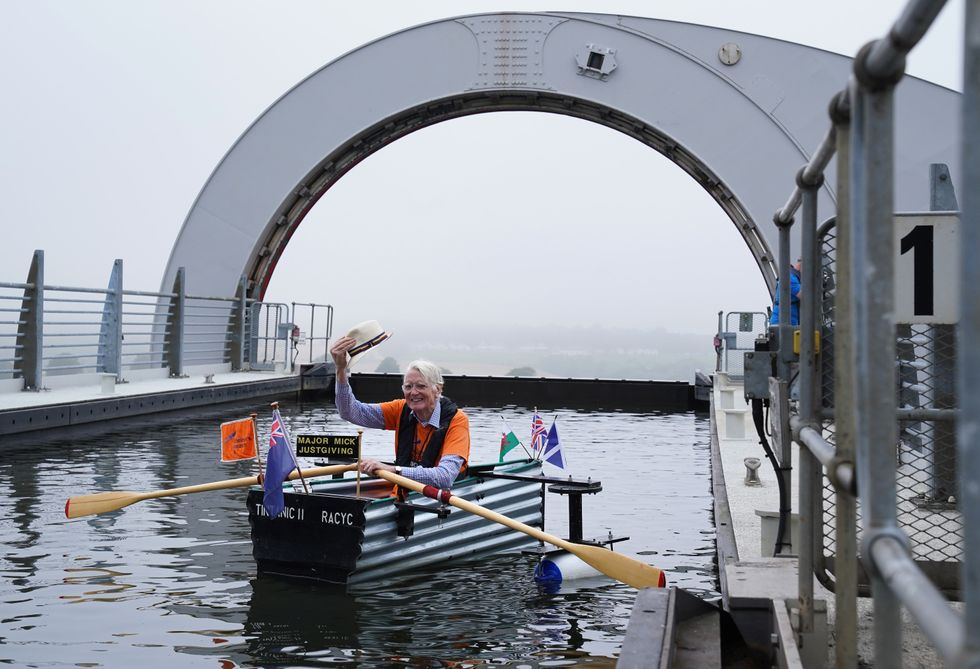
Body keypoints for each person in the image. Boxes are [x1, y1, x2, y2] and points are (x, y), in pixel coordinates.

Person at [330, 333, 470, 490]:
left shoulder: (457, 420)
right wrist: (341, 369)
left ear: (438, 389)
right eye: (408, 387)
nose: (414, 392)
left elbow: (444, 477)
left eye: (421, 386)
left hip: (442, 494)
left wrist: (394, 470)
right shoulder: (400, 409)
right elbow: (351, 412)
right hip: (406, 489)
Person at [770, 258, 802, 326]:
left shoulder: (794, 277)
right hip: (782, 324)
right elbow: (805, 295)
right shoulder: (790, 277)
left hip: (790, 322)